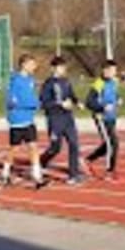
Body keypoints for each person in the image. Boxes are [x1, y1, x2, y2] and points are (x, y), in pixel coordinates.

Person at [39, 55, 84, 185]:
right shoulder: (48, 84)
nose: (63, 69)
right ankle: (42, 161)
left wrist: (77, 102)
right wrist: (60, 104)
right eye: (60, 67)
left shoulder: (66, 81)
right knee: (55, 148)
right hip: (55, 119)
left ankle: (73, 174)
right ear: (53, 68)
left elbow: (71, 95)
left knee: (74, 144)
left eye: (64, 67)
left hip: (68, 118)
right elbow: (44, 103)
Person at [2, 53, 44, 188]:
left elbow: (31, 96)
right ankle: (5, 171)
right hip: (17, 120)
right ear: (24, 65)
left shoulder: (30, 80)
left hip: (29, 120)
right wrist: (32, 104)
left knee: (33, 146)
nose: (34, 67)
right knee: (14, 148)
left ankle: (37, 175)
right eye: (32, 64)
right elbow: (12, 101)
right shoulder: (15, 81)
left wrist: (37, 103)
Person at [85, 59, 122, 180]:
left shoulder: (113, 82)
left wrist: (118, 99)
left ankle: (88, 159)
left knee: (109, 144)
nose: (114, 73)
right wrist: (102, 107)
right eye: (111, 70)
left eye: (115, 71)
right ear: (105, 70)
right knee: (113, 144)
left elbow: (114, 94)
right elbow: (89, 102)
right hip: (101, 118)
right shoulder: (98, 84)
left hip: (112, 117)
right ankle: (109, 171)